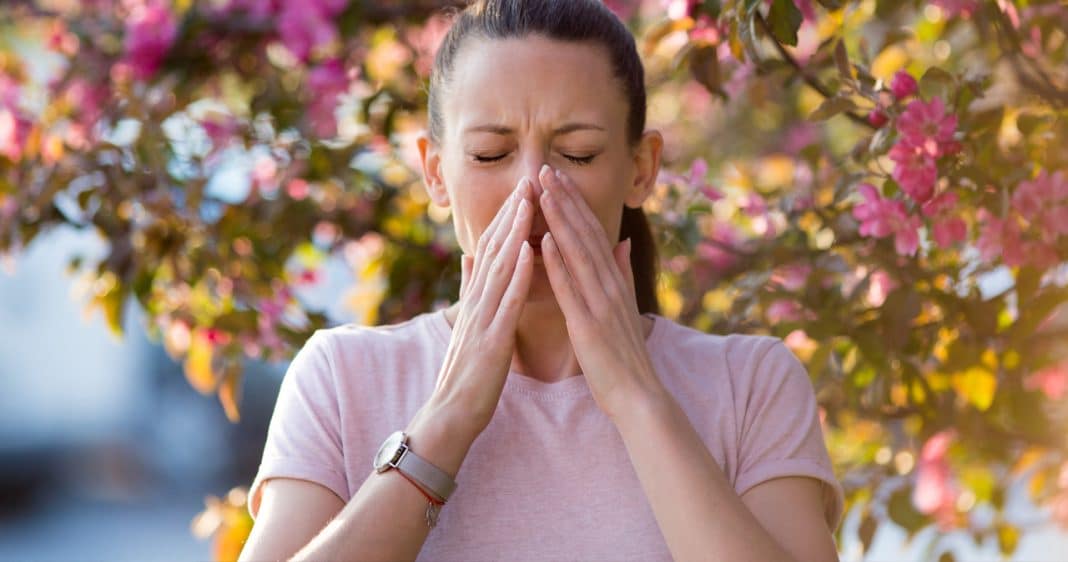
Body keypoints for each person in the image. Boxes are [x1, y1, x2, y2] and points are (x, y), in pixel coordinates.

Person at [239, 1, 844, 561]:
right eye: (489, 154)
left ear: (640, 170)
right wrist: (446, 422)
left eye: (577, 154)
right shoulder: (342, 378)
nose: (532, 186)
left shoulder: (750, 384)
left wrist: (637, 399)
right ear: (435, 173)